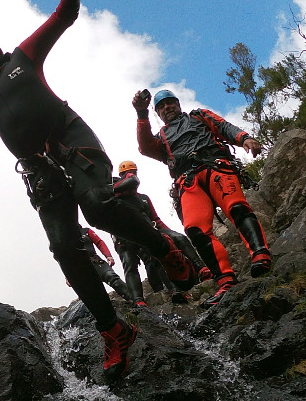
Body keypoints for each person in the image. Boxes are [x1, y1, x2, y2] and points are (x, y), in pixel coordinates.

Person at [0, 0, 197, 379]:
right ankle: (113, 330)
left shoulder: (22, 58)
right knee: (65, 249)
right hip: (41, 174)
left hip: (73, 142)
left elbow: (62, 18)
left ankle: (165, 251)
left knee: (97, 205)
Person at [132, 88, 273, 306]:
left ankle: (260, 255)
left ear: (178, 104)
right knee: (195, 229)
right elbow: (145, 147)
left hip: (215, 166)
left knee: (236, 207)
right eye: (161, 106)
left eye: (170, 103)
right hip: (188, 181)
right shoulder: (161, 138)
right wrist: (141, 114)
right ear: (158, 113)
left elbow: (223, 126)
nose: (167, 108)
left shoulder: (198, 116)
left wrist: (244, 138)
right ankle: (225, 280)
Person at [111, 160, 206, 305]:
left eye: (133, 172)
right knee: (130, 263)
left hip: (148, 229)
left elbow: (156, 219)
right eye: (127, 173)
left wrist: (169, 233)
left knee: (177, 239)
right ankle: (139, 300)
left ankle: (199, 270)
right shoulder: (115, 196)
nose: (131, 175)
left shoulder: (143, 198)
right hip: (124, 237)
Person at [81, 226, 134, 302]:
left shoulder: (86, 231)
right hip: (80, 268)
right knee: (91, 291)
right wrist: (68, 276)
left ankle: (134, 300)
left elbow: (99, 242)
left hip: (96, 261)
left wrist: (108, 256)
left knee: (111, 277)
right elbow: (65, 257)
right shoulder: (65, 238)